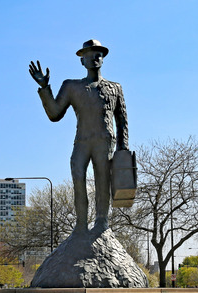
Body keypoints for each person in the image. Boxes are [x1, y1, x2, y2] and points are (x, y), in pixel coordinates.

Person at [29, 39, 128, 234]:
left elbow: (122, 119)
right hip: (82, 141)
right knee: (78, 178)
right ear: (82, 61)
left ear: (103, 59)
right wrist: (45, 88)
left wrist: (123, 147)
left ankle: (102, 222)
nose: (94, 58)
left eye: (98, 54)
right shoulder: (71, 86)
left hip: (105, 140)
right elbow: (55, 114)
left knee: (102, 181)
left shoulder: (115, 88)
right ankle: (81, 224)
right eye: (89, 55)